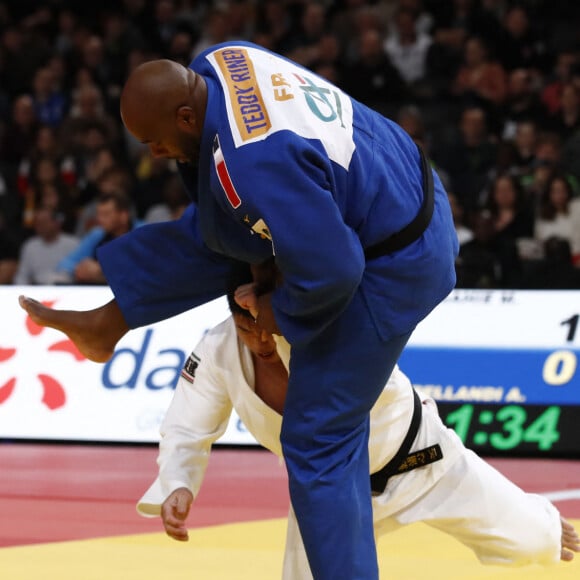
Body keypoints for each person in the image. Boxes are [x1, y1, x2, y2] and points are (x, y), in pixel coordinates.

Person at [19, 41, 459, 579]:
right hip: (388, 175)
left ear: (185, 114)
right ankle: (113, 319)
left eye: (153, 141)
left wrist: (277, 311)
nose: (153, 154)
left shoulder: (256, 162)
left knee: (318, 436)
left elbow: (336, 270)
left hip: (401, 258)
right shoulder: (219, 59)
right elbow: (245, 191)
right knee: (225, 220)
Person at [137, 271, 579, 579]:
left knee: (536, 544)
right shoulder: (217, 349)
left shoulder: (330, 324)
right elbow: (186, 424)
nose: (260, 339)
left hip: (423, 459)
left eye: (264, 326)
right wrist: (179, 482)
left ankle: (536, 520)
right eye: (245, 329)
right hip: (328, 490)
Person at [54, 190, 141, 284]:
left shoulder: (143, 232)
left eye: (106, 214)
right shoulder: (98, 234)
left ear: (123, 215)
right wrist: (81, 268)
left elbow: (146, 269)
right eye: (99, 214)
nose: (99, 219)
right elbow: (64, 264)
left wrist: (102, 268)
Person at [13, 205, 79, 285]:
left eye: (44, 222)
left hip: (66, 289)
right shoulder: (30, 246)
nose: (40, 226)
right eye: (37, 223)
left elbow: (78, 273)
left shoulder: (73, 244)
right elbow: (22, 276)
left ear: (56, 223)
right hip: (36, 290)